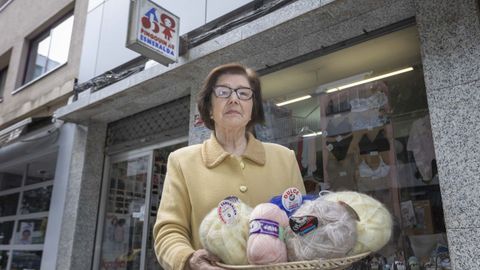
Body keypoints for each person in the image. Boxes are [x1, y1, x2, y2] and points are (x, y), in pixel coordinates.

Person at [153, 63, 306, 270]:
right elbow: (168, 231)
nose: (234, 99)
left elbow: (302, 222)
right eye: (223, 92)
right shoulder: (182, 162)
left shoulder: (284, 158)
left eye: (243, 93)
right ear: (209, 108)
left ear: (252, 109)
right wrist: (189, 260)